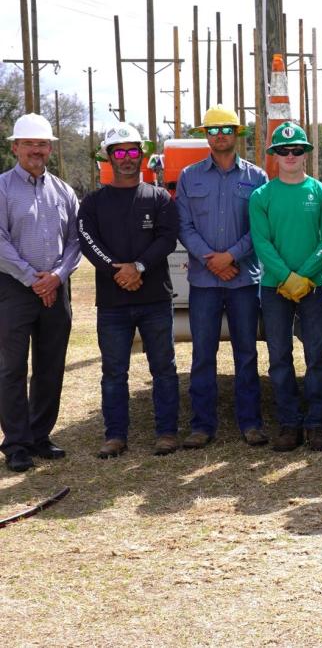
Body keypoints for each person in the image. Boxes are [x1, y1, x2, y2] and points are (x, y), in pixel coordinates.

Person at [78, 122, 182, 458]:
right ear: (108, 157)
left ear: (142, 155)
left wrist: (137, 267)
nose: (126, 158)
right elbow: (88, 242)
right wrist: (118, 270)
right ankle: (115, 436)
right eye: (119, 151)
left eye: (132, 151)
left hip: (154, 299)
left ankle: (166, 433)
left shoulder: (160, 198)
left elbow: (167, 239)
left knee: (163, 368)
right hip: (113, 303)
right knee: (113, 371)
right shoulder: (93, 203)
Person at [177, 105, 268, 448]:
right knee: (203, 354)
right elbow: (184, 226)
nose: (219, 136)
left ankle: (251, 424)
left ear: (237, 134)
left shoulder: (257, 177)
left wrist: (231, 256)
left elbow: (260, 227)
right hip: (204, 282)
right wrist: (211, 260)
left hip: (244, 280)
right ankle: (202, 426)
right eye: (213, 131)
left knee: (246, 353)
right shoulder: (189, 176)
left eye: (226, 130)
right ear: (205, 135)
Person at [248, 122, 322, 451]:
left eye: (296, 150)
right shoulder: (261, 196)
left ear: (305, 155)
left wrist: (305, 276)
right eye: (283, 151)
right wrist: (286, 278)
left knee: (316, 355)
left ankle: (317, 423)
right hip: (274, 288)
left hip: (312, 287)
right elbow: (262, 242)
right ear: (273, 156)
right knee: (279, 357)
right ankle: (288, 423)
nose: (289, 155)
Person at [0, 114, 80, 472]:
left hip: (55, 289)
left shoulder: (64, 191)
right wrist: (33, 278)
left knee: (50, 367)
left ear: (50, 148)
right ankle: (16, 443)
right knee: (11, 368)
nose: (36, 150)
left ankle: (38, 435)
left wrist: (57, 276)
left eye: (42, 144)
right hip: (14, 289)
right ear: (15, 147)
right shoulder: (2, 188)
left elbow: (77, 241)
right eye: (29, 143)